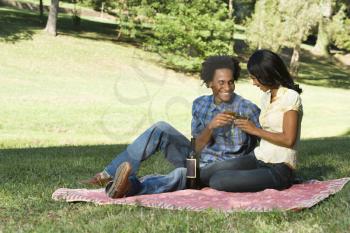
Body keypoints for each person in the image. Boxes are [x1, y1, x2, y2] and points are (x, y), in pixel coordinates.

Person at [80, 56, 261, 198]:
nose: (227, 87)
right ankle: (109, 174)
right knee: (161, 128)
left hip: (221, 171)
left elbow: (260, 149)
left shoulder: (248, 109)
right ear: (209, 83)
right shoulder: (200, 105)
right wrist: (211, 127)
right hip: (196, 160)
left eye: (231, 82)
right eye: (221, 82)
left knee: (181, 174)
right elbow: (195, 148)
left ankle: (128, 186)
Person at [204, 49, 303, 192]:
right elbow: (267, 129)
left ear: (267, 75)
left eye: (255, 78)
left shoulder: (290, 97)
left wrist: (255, 130)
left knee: (218, 180)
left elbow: (289, 140)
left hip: (280, 168)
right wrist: (245, 124)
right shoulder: (266, 97)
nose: (253, 83)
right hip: (258, 157)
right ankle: (178, 181)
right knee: (206, 172)